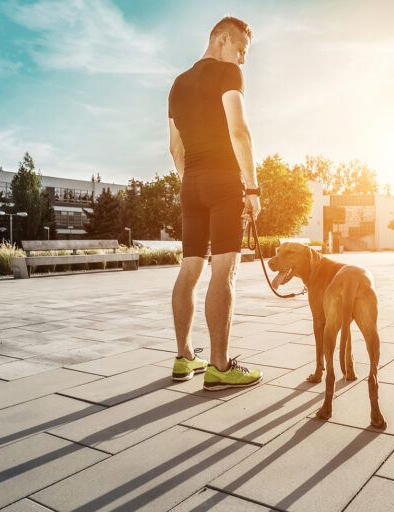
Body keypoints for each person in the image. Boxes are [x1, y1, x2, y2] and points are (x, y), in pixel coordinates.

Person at [167, 16, 262, 390]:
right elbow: (239, 130)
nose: (242, 60)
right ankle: (220, 366)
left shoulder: (177, 84)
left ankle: (184, 356)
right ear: (223, 39)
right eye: (241, 50)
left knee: (189, 270)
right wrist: (252, 189)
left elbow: (174, 147)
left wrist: (192, 182)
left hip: (190, 183)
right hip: (224, 182)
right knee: (225, 272)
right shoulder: (228, 75)